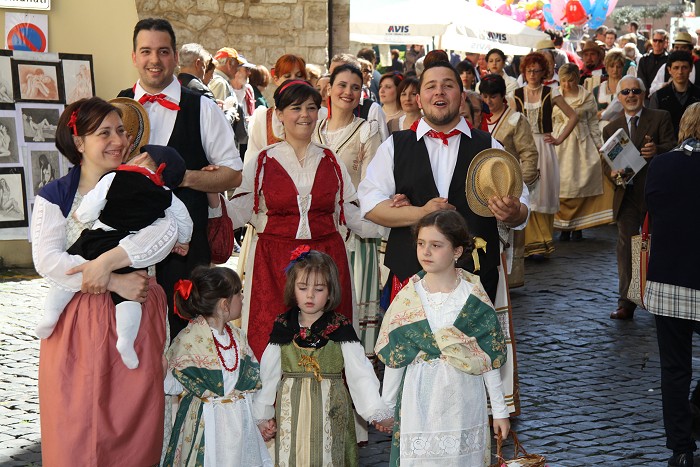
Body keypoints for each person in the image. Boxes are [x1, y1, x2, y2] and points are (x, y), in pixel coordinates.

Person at [358, 61, 528, 416]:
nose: (439, 91)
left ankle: (478, 423)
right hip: (413, 276)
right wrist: (418, 212)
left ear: (461, 95)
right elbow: (371, 206)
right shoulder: (395, 146)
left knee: (474, 362)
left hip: (474, 278)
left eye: (448, 85)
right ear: (419, 98)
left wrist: (512, 211)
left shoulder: (488, 145)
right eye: (431, 86)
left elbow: (522, 206)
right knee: (415, 365)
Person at [32, 97, 178, 465]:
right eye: (104, 133)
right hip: (77, 323)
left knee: (135, 426)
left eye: (121, 132)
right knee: (77, 428)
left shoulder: (140, 184)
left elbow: (166, 234)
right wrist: (112, 281)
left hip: (137, 314)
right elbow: (48, 261)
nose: (118, 140)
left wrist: (109, 263)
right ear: (79, 142)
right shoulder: (56, 196)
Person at [118, 18, 242, 340]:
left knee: (185, 341)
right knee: (131, 340)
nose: (154, 60)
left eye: (163, 51)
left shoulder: (202, 108)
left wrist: (183, 177)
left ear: (175, 56)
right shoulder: (117, 107)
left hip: (187, 253)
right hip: (126, 250)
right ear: (134, 56)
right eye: (146, 51)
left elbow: (232, 175)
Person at [227, 80, 368, 360]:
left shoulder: (331, 160)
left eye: (311, 108)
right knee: (271, 343)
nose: (305, 114)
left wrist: (395, 215)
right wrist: (208, 199)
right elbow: (238, 212)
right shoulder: (262, 161)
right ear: (279, 114)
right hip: (273, 263)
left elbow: (352, 214)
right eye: (296, 108)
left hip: (327, 260)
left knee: (328, 345)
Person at [35, 145, 192, 371]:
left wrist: (82, 215)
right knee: (129, 301)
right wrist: (184, 241)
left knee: (72, 267)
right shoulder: (167, 194)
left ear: (142, 157)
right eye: (104, 133)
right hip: (125, 247)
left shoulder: (114, 177)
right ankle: (126, 340)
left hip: (99, 237)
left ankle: (51, 315)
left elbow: (91, 205)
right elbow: (184, 221)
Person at [374, 210, 510, 466]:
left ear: (456, 251)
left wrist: (500, 411)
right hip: (419, 400)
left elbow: (488, 358)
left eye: (436, 245)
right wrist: (387, 406)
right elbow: (396, 357)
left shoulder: (473, 297)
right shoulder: (408, 298)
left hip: (464, 398)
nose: (426, 252)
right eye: (421, 243)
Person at [253, 248, 391, 465]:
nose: (310, 295)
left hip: (331, 411)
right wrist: (262, 415)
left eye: (318, 289)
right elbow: (267, 375)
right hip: (291, 413)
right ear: (293, 289)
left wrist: (375, 412)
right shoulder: (284, 326)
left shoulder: (340, 327)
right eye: (302, 288)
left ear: (330, 291)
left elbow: (360, 374)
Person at [163, 266, 273, 466]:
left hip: (240, 424)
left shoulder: (238, 337)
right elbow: (175, 384)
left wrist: (260, 420)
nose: (242, 297)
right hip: (208, 425)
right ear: (224, 304)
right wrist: (161, 369)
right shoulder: (189, 339)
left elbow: (250, 384)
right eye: (239, 293)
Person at [313, 63, 383, 360]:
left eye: (356, 87)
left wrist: (349, 212)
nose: (348, 92)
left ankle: (355, 365)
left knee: (351, 296)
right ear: (329, 89)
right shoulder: (314, 128)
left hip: (354, 231)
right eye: (342, 85)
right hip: (315, 228)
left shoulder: (367, 130)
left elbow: (371, 182)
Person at [645, 102, 700, 467]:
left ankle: (681, 450)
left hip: (668, 284)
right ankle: (696, 413)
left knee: (674, 370)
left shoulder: (661, 165)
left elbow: (653, 210)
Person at [602, 76, 675, 320]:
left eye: (635, 91)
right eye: (625, 92)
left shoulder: (660, 117)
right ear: (619, 97)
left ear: (644, 94)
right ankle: (626, 302)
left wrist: (657, 151)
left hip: (656, 194)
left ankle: (660, 298)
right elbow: (606, 163)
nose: (631, 95)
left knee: (658, 246)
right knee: (626, 248)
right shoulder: (611, 128)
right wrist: (612, 173)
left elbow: (673, 147)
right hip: (627, 195)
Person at [513, 52, 578, 258]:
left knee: (543, 193)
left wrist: (558, 139)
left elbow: (573, 116)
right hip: (524, 147)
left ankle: (542, 242)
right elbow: (510, 121)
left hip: (543, 145)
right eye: (529, 70)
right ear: (524, 72)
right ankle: (528, 243)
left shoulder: (551, 92)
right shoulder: (516, 94)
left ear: (544, 72)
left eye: (537, 70)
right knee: (526, 191)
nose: (532, 74)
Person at [552, 64, 613, 240]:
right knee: (561, 184)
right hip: (559, 141)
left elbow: (593, 122)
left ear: (577, 79)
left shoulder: (586, 96)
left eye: (570, 80)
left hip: (582, 142)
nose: (566, 84)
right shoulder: (555, 95)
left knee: (582, 182)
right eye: (563, 81)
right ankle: (563, 226)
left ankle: (578, 225)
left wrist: (598, 145)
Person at [246, 54, 307, 159]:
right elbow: (252, 159)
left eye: (299, 75)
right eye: (287, 76)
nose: (293, 80)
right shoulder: (262, 118)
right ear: (276, 79)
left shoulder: (318, 116)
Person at [649, 50, 700, 138]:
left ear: (691, 68)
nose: (680, 72)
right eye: (676, 68)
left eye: (684, 67)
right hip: (667, 144)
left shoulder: (698, 94)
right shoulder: (658, 96)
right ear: (669, 70)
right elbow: (652, 125)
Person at [638, 29, 669, 100]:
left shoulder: (669, 59)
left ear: (665, 42)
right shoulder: (644, 59)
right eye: (655, 40)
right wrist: (648, 93)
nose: (657, 43)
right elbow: (641, 78)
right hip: (646, 97)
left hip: (664, 96)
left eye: (660, 41)